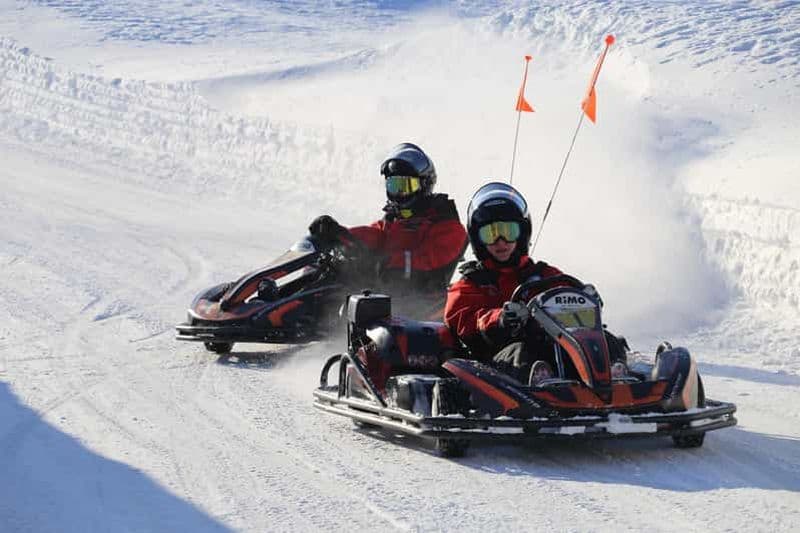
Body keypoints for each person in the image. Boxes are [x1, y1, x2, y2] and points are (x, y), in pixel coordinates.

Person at [307, 143, 468, 312]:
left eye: (406, 186)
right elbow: (373, 235)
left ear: (424, 184)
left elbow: (427, 260)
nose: (399, 193)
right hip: (381, 295)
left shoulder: (448, 226)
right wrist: (339, 234)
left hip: (417, 308)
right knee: (330, 279)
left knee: (341, 299)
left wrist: (385, 263)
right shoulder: (392, 221)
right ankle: (282, 301)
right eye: (393, 185)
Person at [444, 181, 565, 385]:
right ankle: (543, 388)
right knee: (521, 354)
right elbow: (460, 320)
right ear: (478, 239)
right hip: (494, 362)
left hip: (552, 348)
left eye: (508, 232)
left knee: (603, 340)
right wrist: (499, 318)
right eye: (490, 234)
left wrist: (586, 297)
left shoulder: (543, 275)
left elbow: (567, 292)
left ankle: (617, 379)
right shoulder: (471, 283)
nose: (501, 242)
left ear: (522, 233)